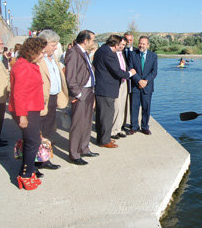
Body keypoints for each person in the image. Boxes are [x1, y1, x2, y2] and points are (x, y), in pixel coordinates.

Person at [8, 37, 47, 190]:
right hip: (26, 110)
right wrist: (22, 116)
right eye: (41, 52)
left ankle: (28, 171)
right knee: (32, 143)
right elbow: (19, 94)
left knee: (32, 141)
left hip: (32, 108)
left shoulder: (29, 64)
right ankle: (24, 175)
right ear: (32, 52)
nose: (42, 55)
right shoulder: (23, 66)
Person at [93, 35, 135, 148]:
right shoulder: (109, 53)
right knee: (107, 116)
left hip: (102, 87)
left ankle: (103, 138)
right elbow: (117, 72)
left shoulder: (100, 50)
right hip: (107, 89)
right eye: (119, 45)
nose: (120, 47)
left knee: (102, 116)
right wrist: (130, 73)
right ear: (115, 44)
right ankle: (104, 141)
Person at [65, 30, 99, 165]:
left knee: (87, 122)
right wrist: (77, 93)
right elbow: (70, 76)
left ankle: (84, 148)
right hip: (81, 92)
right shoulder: (73, 52)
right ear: (85, 41)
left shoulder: (84, 52)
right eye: (92, 40)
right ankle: (74, 154)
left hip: (89, 91)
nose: (93, 43)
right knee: (78, 124)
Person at [36, 29, 69, 171]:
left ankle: (45, 159)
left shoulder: (52, 57)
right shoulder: (37, 58)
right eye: (54, 44)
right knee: (39, 132)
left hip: (53, 98)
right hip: (42, 100)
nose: (56, 47)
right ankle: (35, 163)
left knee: (48, 130)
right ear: (44, 43)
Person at [127, 36, 158, 135]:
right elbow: (130, 68)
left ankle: (145, 127)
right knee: (134, 107)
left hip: (147, 86)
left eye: (144, 44)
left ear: (148, 45)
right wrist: (139, 81)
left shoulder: (153, 56)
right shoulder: (133, 54)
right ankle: (134, 127)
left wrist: (145, 81)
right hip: (136, 85)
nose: (141, 45)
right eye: (140, 43)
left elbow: (154, 72)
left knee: (146, 107)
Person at [111, 37, 129, 139]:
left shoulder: (123, 54)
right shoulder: (112, 55)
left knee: (122, 106)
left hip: (124, 82)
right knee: (116, 106)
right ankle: (112, 130)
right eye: (120, 44)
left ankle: (118, 128)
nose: (122, 46)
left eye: (123, 45)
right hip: (116, 82)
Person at [122, 32, 135, 132]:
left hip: (134, 82)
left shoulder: (137, 51)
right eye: (127, 40)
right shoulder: (119, 51)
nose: (128, 42)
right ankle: (121, 123)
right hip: (122, 81)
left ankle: (133, 125)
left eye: (130, 40)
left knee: (133, 104)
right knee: (122, 104)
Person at [0, 38, 9, 147]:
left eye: (2, 43)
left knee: (0, 117)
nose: (2, 45)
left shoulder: (0, 57)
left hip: (1, 93)